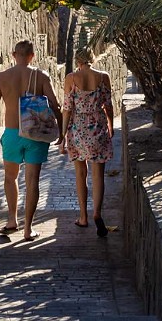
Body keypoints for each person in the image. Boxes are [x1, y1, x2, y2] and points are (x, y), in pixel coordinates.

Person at [0, 40, 61, 241]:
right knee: (32, 180)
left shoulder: (2, 77)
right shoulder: (41, 76)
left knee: (10, 177)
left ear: (13, 54)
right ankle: (28, 229)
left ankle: (12, 220)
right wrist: (63, 132)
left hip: (12, 134)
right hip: (35, 135)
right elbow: (55, 105)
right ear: (32, 55)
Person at [60, 48, 115, 237]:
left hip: (78, 128)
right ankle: (97, 213)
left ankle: (83, 216)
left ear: (77, 61)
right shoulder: (103, 77)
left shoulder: (71, 78)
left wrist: (62, 134)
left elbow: (67, 109)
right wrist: (110, 125)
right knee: (98, 173)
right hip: (98, 125)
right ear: (92, 59)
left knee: (80, 172)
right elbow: (108, 104)